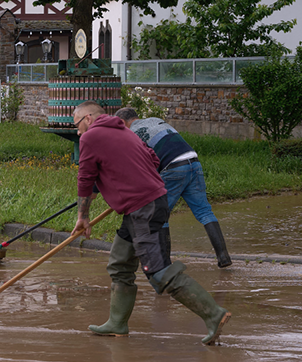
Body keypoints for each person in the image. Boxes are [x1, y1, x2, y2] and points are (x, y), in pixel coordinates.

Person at [71, 101, 230, 344]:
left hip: (143, 209)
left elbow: (85, 178)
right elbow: (153, 159)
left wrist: (83, 216)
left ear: (89, 118)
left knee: (158, 272)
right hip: (146, 203)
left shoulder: (90, 137)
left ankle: (213, 314)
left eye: (77, 125)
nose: (78, 132)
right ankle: (117, 323)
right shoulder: (125, 131)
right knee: (120, 264)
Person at [115, 107, 231, 267]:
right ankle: (224, 257)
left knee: (160, 214)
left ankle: (164, 266)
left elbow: (142, 164)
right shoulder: (154, 119)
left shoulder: (130, 133)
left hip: (173, 166)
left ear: (122, 122)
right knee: (204, 211)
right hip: (193, 161)